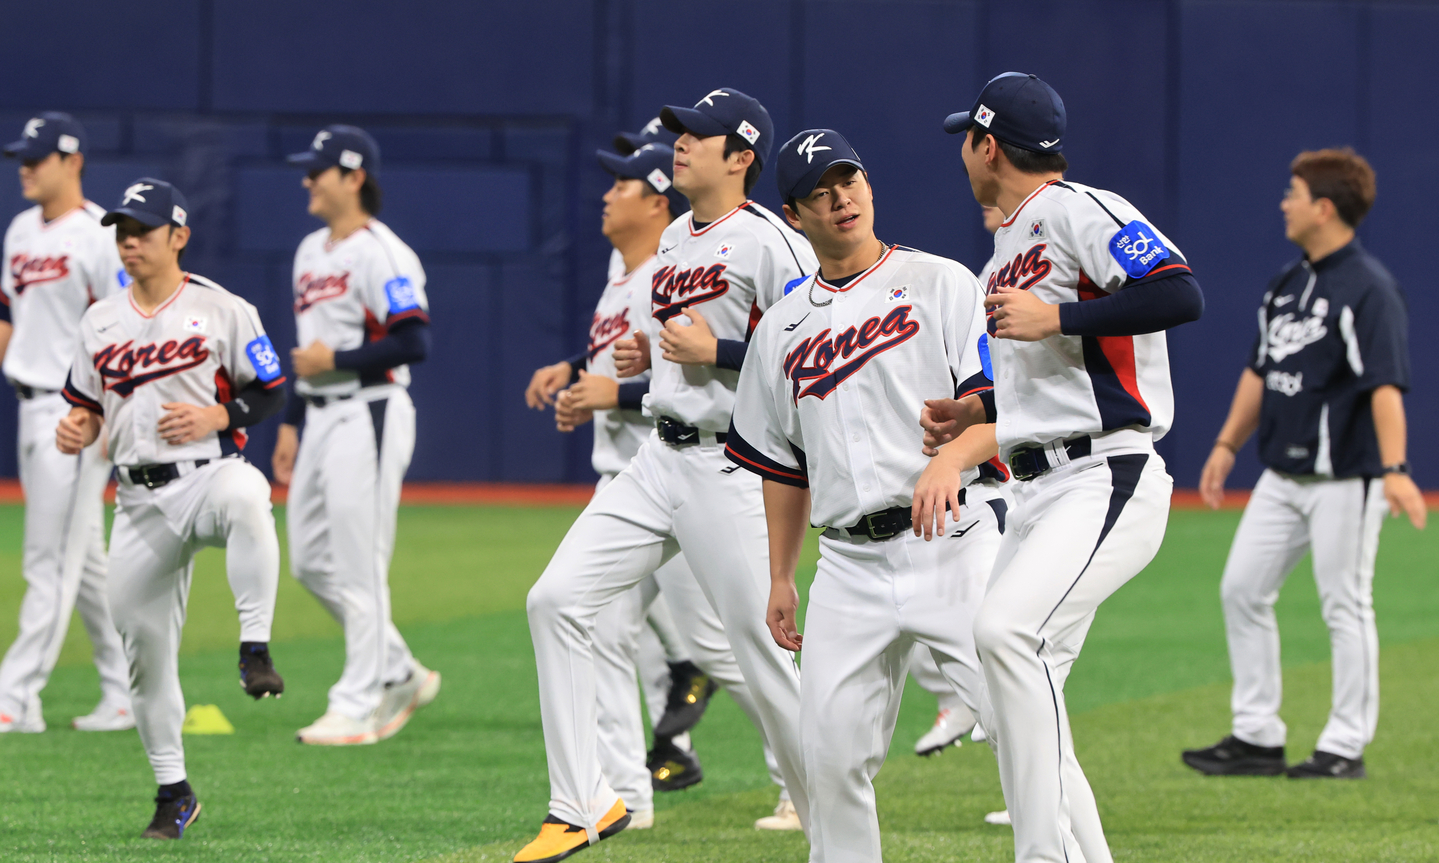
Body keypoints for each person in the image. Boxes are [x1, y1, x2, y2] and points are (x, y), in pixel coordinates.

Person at [515, 87, 817, 863]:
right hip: (656, 457)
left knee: (759, 653)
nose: (679, 143)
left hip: (730, 464)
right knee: (555, 599)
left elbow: (812, 356)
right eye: (680, 131)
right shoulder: (677, 238)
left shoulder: (768, 242)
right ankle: (581, 803)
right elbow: (672, 372)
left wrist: (712, 352)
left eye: (699, 136)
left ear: (741, 157)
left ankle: (834, 814)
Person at [923, 72, 1204, 863]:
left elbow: (1179, 293)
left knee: (1005, 633)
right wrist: (974, 415)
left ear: (986, 145)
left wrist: (1060, 314)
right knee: (1019, 684)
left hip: (1104, 474)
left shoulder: (1081, 208)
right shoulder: (1002, 252)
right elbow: (1052, 380)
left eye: (966, 141)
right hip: (1040, 484)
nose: (964, 155)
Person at [729, 127, 1005, 863]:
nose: (839, 198)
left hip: (952, 541)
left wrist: (950, 459)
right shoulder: (781, 327)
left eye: (847, 180)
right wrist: (781, 575)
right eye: (819, 192)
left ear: (869, 186)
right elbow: (780, 462)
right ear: (795, 215)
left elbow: (1004, 409)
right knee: (828, 758)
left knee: (1023, 724)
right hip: (847, 565)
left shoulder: (941, 281)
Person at [1182, 148, 1423, 780]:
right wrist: (1227, 444)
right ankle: (1258, 735)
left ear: (1324, 206)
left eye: (1293, 192)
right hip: (1282, 475)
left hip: (1347, 475)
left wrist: (1395, 469)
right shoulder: (1286, 285)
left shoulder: (1369, 288)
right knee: (1242, 588)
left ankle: (1344, 745)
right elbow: (1260, 372)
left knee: (1345, 603)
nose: (1284, 203)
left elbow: (1386, 387)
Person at [59, 178, 288, 839]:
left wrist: (222, 412)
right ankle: (174, 790)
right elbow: (85, 403)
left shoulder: (223, 309)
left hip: (207, 475)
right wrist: (76, 424)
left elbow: (271, 389)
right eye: (122, 230)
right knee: (144, 651)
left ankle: (254, 647)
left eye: (144, 230)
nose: (130, 241)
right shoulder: (100, 319)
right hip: (136, 499)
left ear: (178, 236)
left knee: (249, 496)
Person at [271, 125, 439, 746]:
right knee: (312, 561)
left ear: (354, 177)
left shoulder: (381, 252)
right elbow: (309, 352)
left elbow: (414, 340)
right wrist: (290, 420)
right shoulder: (311, 249)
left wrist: (335, 358)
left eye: (318, 171)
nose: (307, 180)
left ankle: (358, 703)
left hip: (369, 409)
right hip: (319, 415)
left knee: (358, 563)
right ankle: (398, 669)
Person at [0, 112, 132, 733]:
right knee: (84, 565)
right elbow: (9, 313)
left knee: (49, 558)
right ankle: (125, 690)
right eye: (22, 156)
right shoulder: (22, 229)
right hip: (29, 402)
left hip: (75, 413)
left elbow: (125, 327)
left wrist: (103, 411)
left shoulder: (100, 235)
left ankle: (16, 696)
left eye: (39, 156)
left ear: (73, 161)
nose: (25, 166)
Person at [909, 202, 1005, 760]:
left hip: (1012, 483)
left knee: (1015, 653)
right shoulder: (990, 274)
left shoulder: (971, 281)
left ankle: (1051, 816)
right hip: (994, 473)